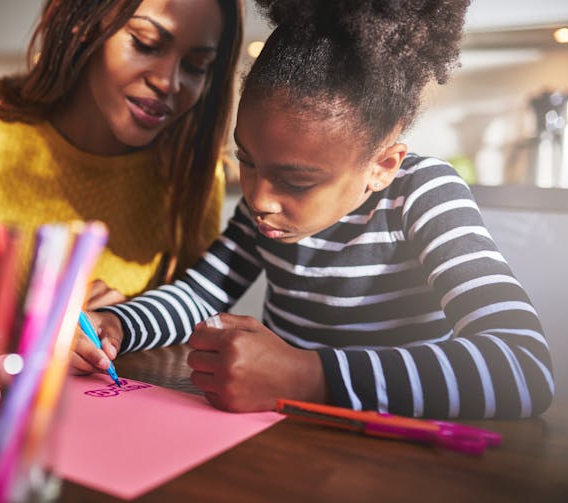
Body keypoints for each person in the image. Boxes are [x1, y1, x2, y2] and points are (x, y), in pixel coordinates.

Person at [74, 0, 555, 419]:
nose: (259, 198)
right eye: (247, 160)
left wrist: (305, 375)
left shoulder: (423, 195)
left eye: (296, 180)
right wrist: (116, 325)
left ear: (382, 165)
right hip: (287, 437)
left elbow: (523, 366)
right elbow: (200, 297)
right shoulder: (266, 208)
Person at [0, 0, 243, 371]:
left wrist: (132, 318)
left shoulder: (193, 173)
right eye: (146, 43)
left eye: (196, 66)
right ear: (82, 26)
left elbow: (194, 312)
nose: (168, 82)